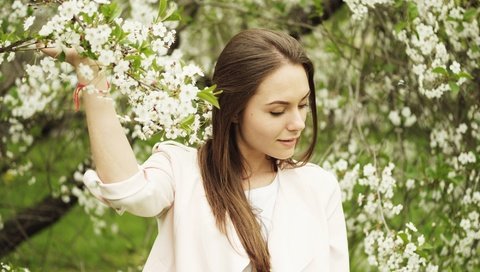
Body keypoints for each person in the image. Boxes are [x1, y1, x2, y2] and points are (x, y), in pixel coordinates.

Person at [43, 28, 349, 272]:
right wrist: (91, 73)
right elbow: (126, 190)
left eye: (303, 105)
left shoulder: (318, 188)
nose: (297, 123)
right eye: (277, 111)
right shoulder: (182, 170)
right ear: (234, 110)